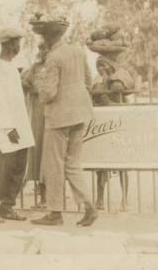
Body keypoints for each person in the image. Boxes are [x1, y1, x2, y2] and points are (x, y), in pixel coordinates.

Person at [31, 18, 98, 226]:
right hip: (80, 113)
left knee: (54, 165)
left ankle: (55, 213)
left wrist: (37, 84)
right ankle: (89, 207)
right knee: (73, 164)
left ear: (49, 37)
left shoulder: (53, 57)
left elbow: (48, 93)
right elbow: (88, 79)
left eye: (43, 37)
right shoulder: (77, 51)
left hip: (59, 116)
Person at [0, 28, 35, 223]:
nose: (18, 47)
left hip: (19, 126)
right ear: (9, 44)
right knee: (3, 168)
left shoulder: (12, 67)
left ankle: (7, 206)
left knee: (19, 167)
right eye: (17, 43)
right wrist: (8, 127)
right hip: (4, 129)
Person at [91, 55, 135, 210]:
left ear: (110, 65)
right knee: (101, 166)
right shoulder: (97, 80)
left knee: (122, 164)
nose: (102, 68)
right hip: (104, 125)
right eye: (99, 66)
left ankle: (125, 199)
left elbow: (120, 96)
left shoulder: (118, 79)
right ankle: (100, 198)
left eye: (104, 65)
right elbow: (94, 95)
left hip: (118, 125)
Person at [21, 41, 49, 208]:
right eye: (40, 49)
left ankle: (54, 196)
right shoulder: (35, 68)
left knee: (52, 154)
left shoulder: (56, 66)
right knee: (38, 153)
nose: (42, 52)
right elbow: (24, 82)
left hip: (53, 114)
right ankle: (43, 197)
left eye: (45, 48)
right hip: (38, 115)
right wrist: (28, 87)